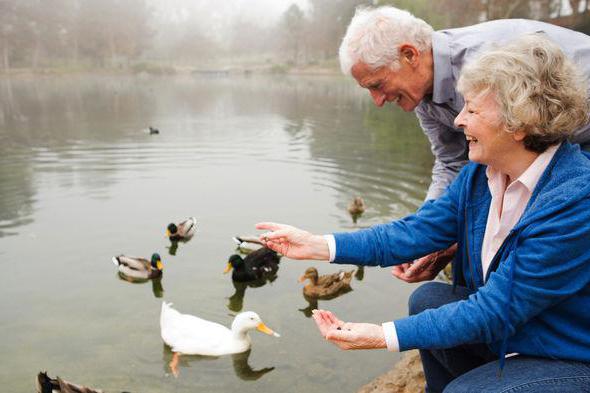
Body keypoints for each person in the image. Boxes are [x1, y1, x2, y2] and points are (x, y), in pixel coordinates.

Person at [257, 34, 590, 392]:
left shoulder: (574, 200)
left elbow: (493, 311)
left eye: (473, 110)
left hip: (571, 352)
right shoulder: (480, 176)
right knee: (427, 300)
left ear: (519, 121)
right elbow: (415, 232)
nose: (459, 120)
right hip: (526, 327)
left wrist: (382, 335)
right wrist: (317, 244)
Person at [339, 6, 590, 282]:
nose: (378, 100)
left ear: (409, 54)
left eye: (377, 84)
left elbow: (540, 155)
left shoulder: (489, 65)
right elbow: (451, 163)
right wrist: (423, 239)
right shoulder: (422, 94)